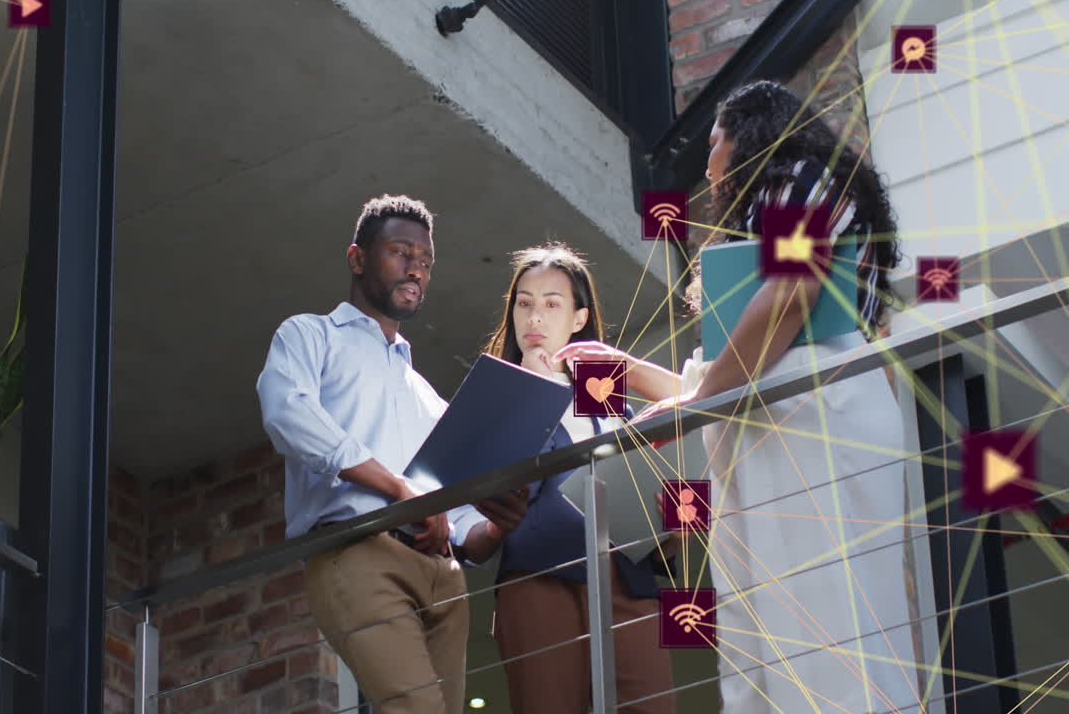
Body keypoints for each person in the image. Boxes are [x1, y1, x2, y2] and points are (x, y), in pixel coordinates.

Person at [557, 80, 920, 714]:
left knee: (822, 631)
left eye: (716, 140)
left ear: (755, 133)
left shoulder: (801, 175)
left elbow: (789, 296)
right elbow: (724, 379)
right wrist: (628, 371)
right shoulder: (757, 236)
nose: (707, 162)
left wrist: (693, 408)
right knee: (767, 647)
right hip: (778, 432)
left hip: (815, 423)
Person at [256, 194, 470, 714]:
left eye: (424, 261)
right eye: (400, 253)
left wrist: (494, 521)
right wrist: (397, 488)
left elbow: (461, 515)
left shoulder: (425, 393)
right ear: (357, 259)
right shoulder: (310, 336)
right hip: (357, 551)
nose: (414, 270)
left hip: (444, 575)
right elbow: (289, 415)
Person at [453, 243, 682, 714]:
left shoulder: (605, 399)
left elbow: (700, 398)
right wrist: (530, 390)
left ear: (579, 318)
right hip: (540, 578)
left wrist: (622, 369)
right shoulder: (494, 396)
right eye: (525, 303)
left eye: (551, 304)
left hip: (628, 576)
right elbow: (480, 508)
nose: (534, 317)